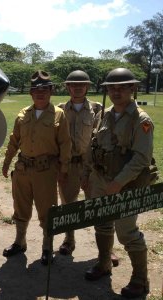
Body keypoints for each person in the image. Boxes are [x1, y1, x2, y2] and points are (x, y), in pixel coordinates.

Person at [82, 68, 154, 298]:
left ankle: (140, 280)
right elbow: (94, 146)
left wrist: (119, 182)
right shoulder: (104, 114)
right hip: (101, 180)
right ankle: (104, 264)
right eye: (112, 87)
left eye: (122, 87)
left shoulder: (141, 120)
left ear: (132, 88)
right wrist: (88, 174)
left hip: (126, 185)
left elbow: (141, 158)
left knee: (127, 233)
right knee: (102, 224)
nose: (116, 91)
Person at [2, 70, 71, 265]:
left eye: (45, 89)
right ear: (31, 93)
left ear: (50, 92)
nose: (40, 93)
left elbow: (66, 143)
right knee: (20, 207)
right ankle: (19, 242)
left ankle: (47, 247)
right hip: (23, 169)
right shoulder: (23, 114)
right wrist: (7, 162)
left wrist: (64, 170)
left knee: (47, 211)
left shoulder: (59, 115)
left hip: (45, 171)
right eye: (36, 90)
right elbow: (14, 140)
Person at [56, 70, 102, 255]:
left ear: (87, 87)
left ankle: (105, 247)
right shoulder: (59, 110)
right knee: (68, 204)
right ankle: (69, 240)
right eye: (73, 85)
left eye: (81, 85)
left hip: (90, 165)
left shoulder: (98, 109)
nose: (77, 88)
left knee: (97, 204)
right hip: (68, 164)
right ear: (67, 87)